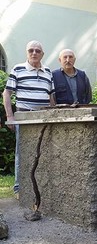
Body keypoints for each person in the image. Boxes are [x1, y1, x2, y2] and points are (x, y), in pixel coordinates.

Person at [2, 40, 55, 196]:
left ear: (42, 54)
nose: (34, 53)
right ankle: (19, 188)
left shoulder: (48, 72)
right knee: (22, 153)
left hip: (43, 118)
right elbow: (6, 94)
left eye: (37, 51)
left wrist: (54, 116)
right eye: (31, 50)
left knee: (43, 152)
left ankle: (41, 187)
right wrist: (10, 116)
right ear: (27, 53)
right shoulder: (18, 69)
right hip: (24, 117)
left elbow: (51, 97)